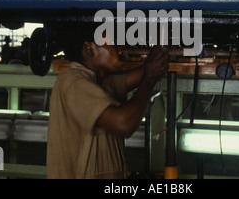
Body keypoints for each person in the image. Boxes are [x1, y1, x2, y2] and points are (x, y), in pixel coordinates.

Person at [47, 25, 169, 179]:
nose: (121, 50)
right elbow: (124, 124)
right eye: (114, 43)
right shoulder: (73, 81)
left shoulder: (102, 82)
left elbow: (149, 69)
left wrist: (162, 42)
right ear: (89, 48)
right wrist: (149, 79)